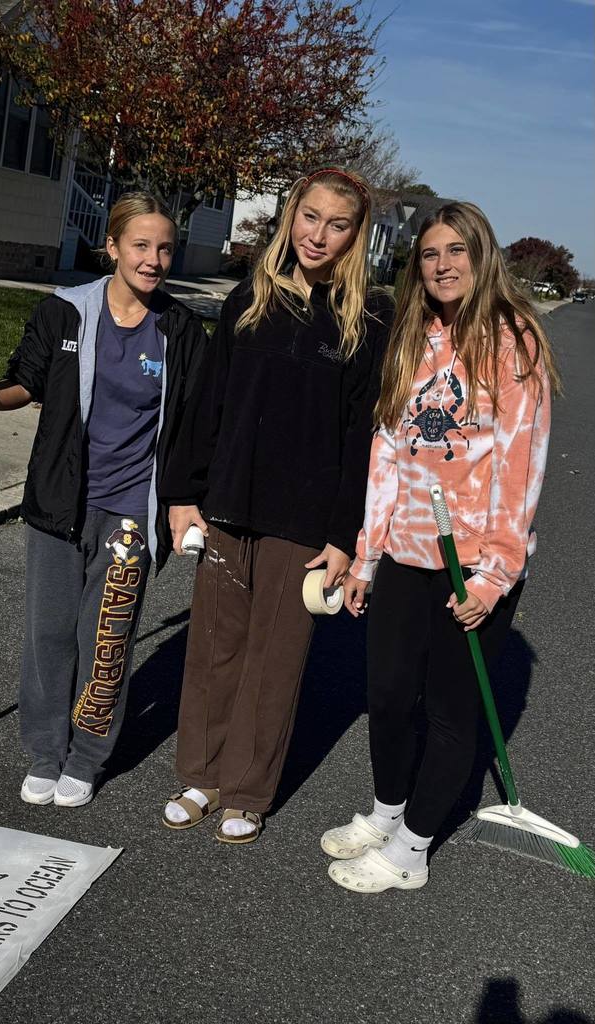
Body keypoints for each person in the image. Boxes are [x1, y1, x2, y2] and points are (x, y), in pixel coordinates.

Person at [322, 200, 560, 892]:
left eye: (456, 251)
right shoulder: (412, 337)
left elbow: (522, 463)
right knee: (389, 695)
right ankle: (386, 811)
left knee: (450, 712)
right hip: (403, 553)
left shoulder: (513, 342)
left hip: (474, 563)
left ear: (481, 256)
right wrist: (367, 554)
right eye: (429, 254)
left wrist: (495, 574)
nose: (442, 265)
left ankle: (412, 851)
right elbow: (387, 453)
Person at [0, 192, 208, 807]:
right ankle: (44, 750)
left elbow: (198, 423)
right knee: (49, 637)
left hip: (131, 517)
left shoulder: (181, 330)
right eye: (140, 245)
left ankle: (86, 757)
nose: (154, 258)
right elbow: (21, 387)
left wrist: (186, 502)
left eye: (165, 247)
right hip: (58, 506)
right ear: (112, 247)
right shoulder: (63, 313)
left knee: (106, 640)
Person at [159, 167, 392, 843]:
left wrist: (344, 534)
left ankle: (245, 790)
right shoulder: (247, 300)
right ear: (291, 218)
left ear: (355, 235)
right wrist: (182, 496)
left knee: (275, 658)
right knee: (213, 648)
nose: (318, 235)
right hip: (229, 504)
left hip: (305, 521)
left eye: (336, 224)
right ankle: (201, 774)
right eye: (309, 217)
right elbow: (207, 405)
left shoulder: (367, 319)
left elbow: (360, 439)